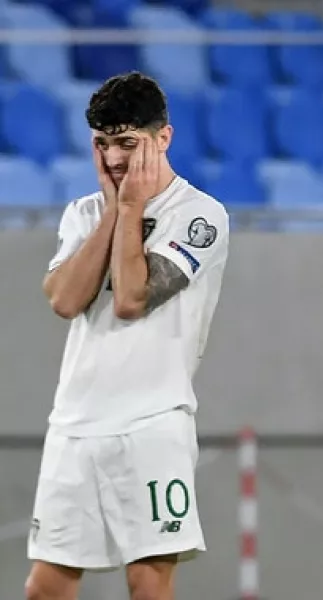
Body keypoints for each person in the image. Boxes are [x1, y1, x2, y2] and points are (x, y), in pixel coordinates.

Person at [27, 72, 229, 600]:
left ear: (163, 138)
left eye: (127, 142)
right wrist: (114, 211)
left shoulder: (201, 216)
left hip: (152, 424)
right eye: (103, 143)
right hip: (74, 424)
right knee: (45, 586)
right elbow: (65, 300)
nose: (114, 158)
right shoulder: (84, 212)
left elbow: (131, 298)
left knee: (147, 583)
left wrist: (133, 208)